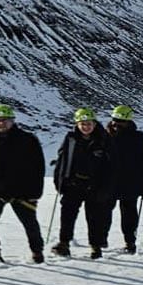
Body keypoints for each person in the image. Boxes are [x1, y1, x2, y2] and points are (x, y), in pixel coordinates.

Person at [0, 103, 46, 263]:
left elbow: (38, 168)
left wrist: (35, 193)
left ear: (12, 120)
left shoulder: (27, 139)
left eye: (5, 120)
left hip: (22, 190)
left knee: (29, 222)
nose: (1, 123)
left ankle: (37, 251)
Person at [53, 108, 115, 258]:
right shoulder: (71, 139)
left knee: (95, 217)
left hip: (95, 185)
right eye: (82, 124)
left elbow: (112, 165)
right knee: (67, 215)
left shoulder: (103, 139)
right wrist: (59, 181)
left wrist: (106, 187)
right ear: (77, 124)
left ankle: (96, 246)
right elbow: (62, 160)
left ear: (94, 124)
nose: (85, 127)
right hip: (73, 183)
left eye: (88, 124)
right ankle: (64, 243)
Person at [104, 104, 143, 254]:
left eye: (120, 121)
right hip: (111, 182)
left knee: (128, 213)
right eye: (115, 119)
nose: (116, 123)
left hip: (131, 182)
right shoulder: (104, 137)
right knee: (104, 211)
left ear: (128, 122)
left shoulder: (138, 139)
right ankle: (100, 240)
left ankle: (130, 242)